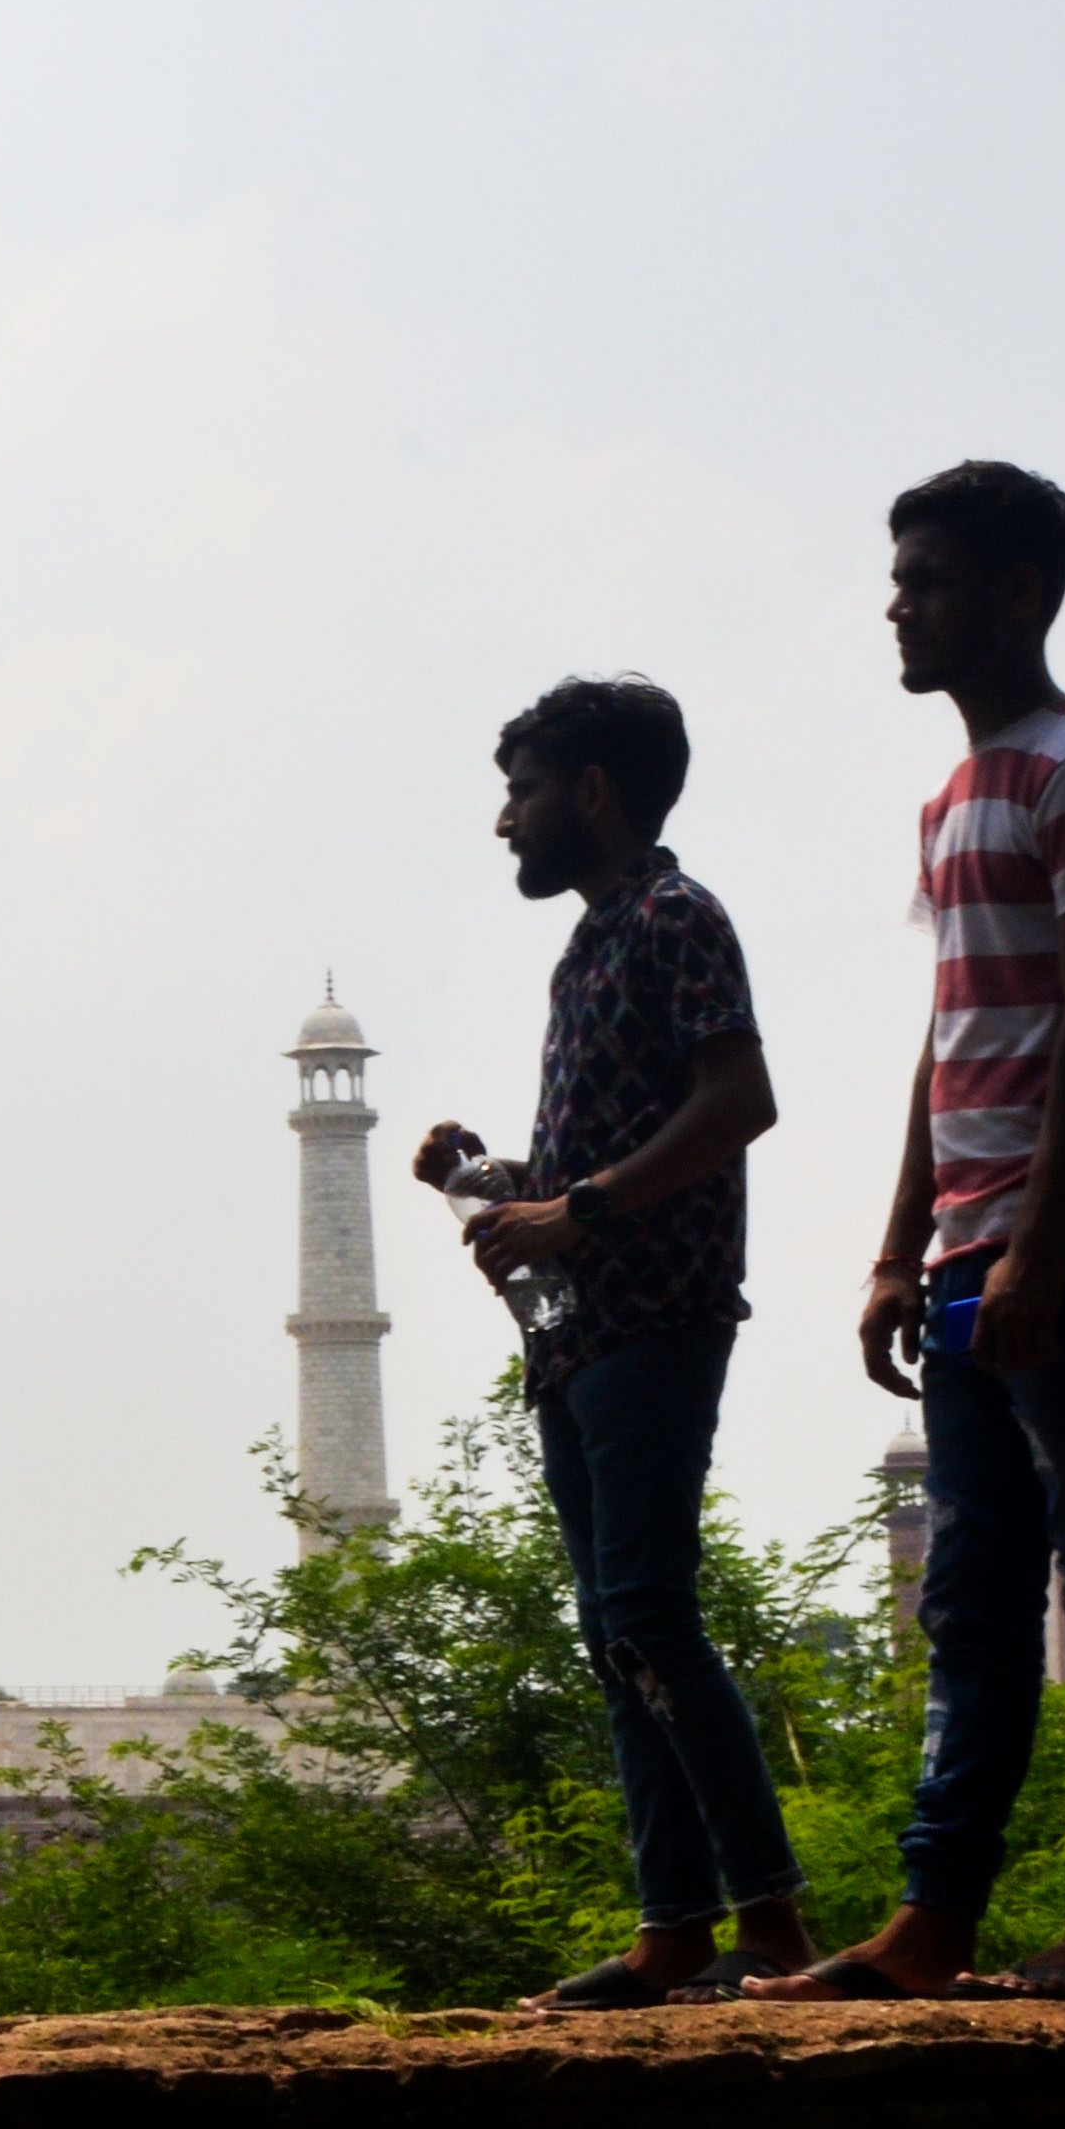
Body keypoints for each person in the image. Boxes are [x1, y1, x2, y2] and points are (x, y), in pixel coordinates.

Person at [753, 461, 1065, 2004]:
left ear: (1020, 591)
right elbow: (956, 1041)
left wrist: (1039, 1243)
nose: (899, 603)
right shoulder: (956, 797)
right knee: (972, 1596)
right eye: (900, 577)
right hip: (974, 1250)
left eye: (929, 578)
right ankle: (936, 1918)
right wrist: (901, 1248)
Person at [415, 675, 814, 2007]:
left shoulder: (672, 917)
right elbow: (607, 1157)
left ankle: (771, 1925)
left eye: (522, 793)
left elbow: (738, 1100)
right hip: (585, 1332)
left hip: (657, 1316)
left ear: (591, 792)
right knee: (614, 1631)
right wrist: (493, 1181)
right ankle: (673, 1927)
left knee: (648, 1612)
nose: (505, 824)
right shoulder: (594, 946)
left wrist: (572, 1209)